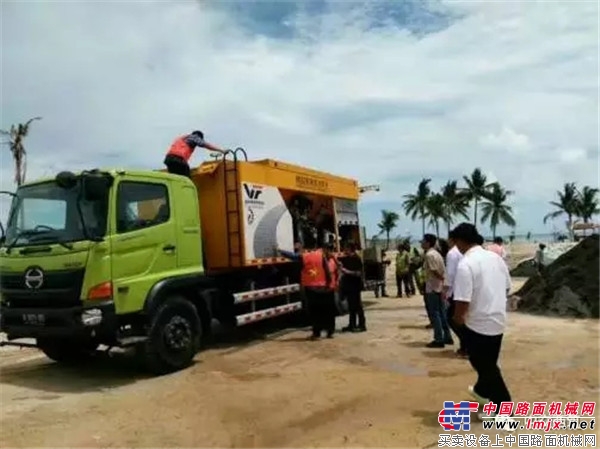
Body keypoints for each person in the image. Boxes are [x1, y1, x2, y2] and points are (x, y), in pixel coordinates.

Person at [451, 223, 513, 414]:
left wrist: (457, 320)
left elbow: (462, 300)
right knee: (487, 366)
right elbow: (507, 287)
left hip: (477, 325)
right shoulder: (495, 258)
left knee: (487, 369)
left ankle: (504, 409)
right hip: (498, 320)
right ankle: (482, 394)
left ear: (461, 241)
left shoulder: (466, 264)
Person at [278, 244, 333, 339]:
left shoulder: (305, 256)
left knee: (314, 311)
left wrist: (280, 251)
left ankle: (316, 333)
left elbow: (292, 256)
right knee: (325, 310)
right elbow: (327, 270)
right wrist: (329, 283)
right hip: (322, 286)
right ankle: (329, 332)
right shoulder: (321, 255)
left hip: (311, 287)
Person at [421, 234, 453, 348]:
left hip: (433, 287)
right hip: (438, 287)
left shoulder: (429, 255)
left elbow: (434, 271)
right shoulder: (437, 254)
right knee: (441, 313)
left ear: (428, 243)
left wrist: (442, 279)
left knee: (435, 314)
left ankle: (439, 339)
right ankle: (447, 336)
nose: (421, 243)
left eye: (423, 241)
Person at [443, 232, 467, 358]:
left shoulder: (452, 253)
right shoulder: (461, 252)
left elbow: (450, 274)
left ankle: (467, 343)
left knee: (451, 318)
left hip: (455, 291)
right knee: (461, 318)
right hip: (463, 289)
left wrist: (445, 291)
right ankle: (465, 345)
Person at [339, 243, 366, 332]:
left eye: (346, 248)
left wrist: (347, 271)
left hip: (355, 286)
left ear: (350, 249)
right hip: (349, 286)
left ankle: (362, 325)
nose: (344, 250)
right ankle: (352, 324)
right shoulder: (347, 258)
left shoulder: (356, 259)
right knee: (351, 307)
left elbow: (358, 273)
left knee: (357, 306)